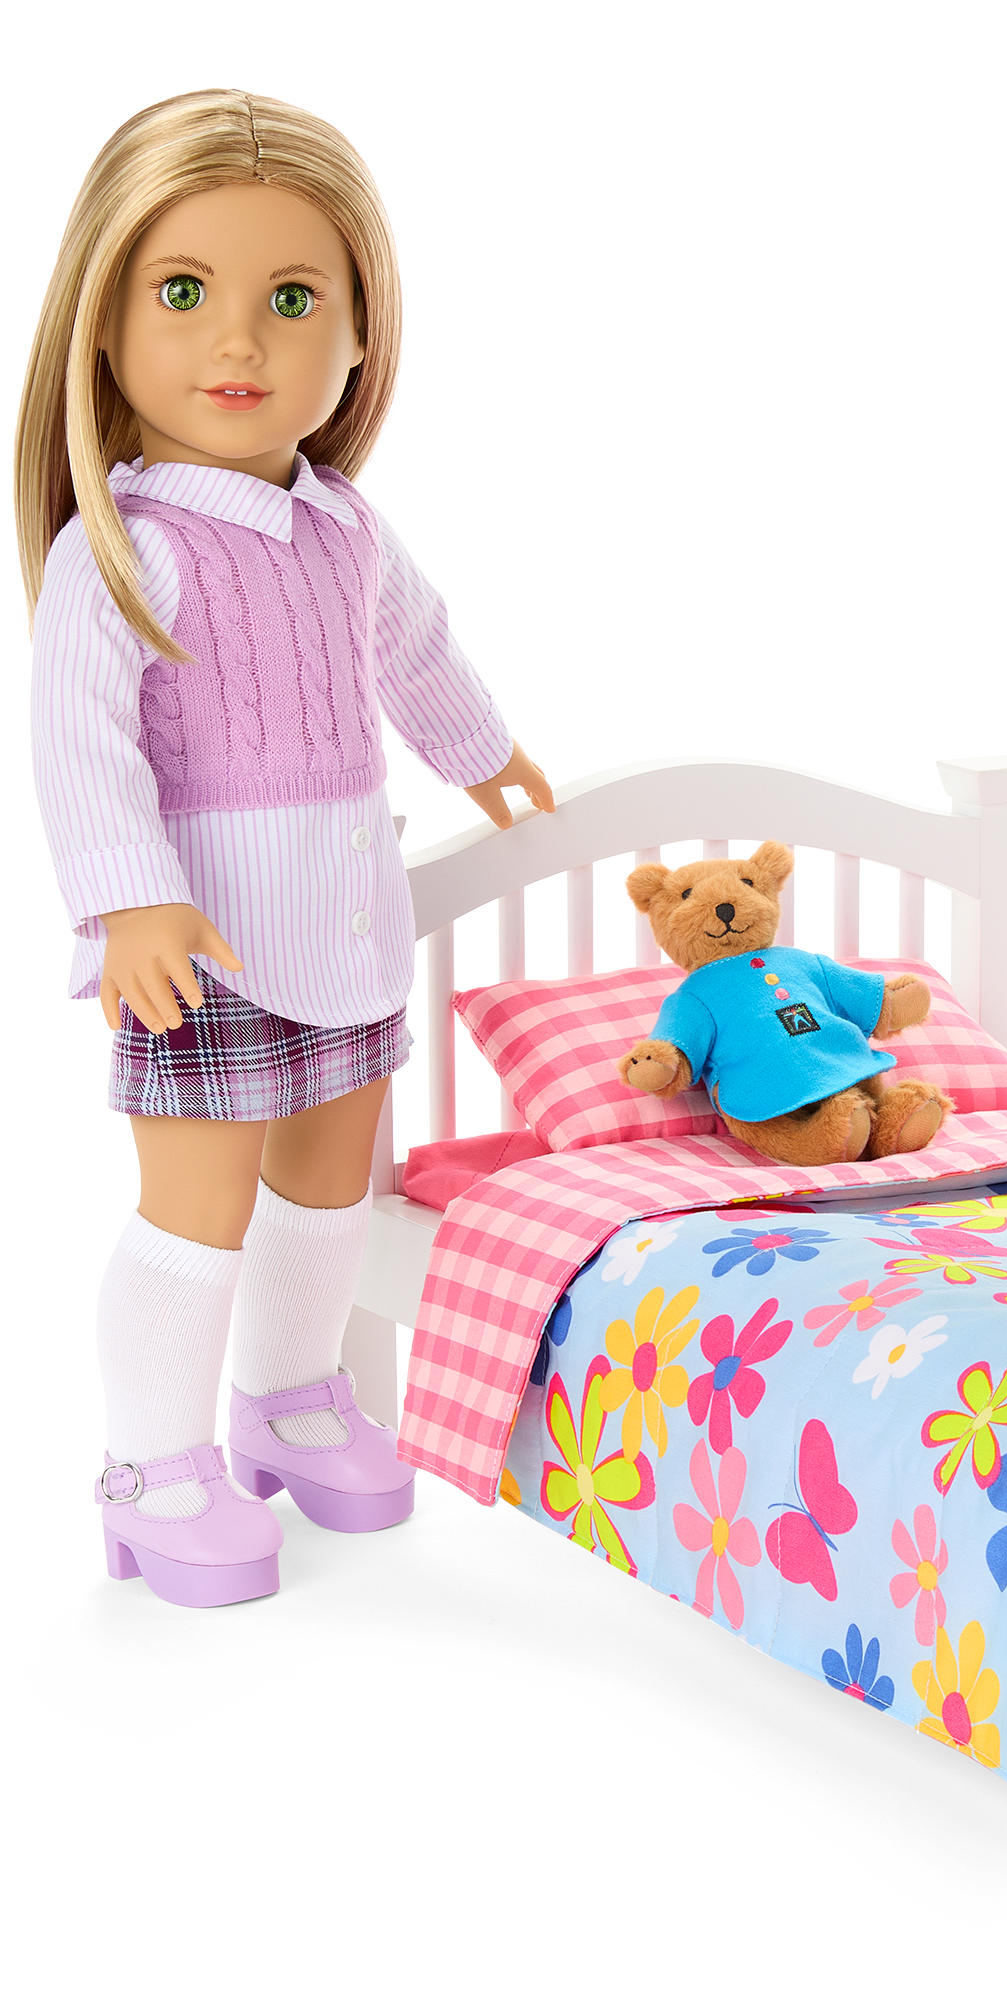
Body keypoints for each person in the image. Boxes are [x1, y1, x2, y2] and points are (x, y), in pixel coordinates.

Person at [19, 90, 557, 1608]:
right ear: (105, 323)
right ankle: (151, 1462)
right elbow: (80, 748)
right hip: (201, 941)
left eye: (295, 299)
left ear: (363, 332)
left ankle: (292, 1398)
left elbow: (419, 652)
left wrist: (483, 753)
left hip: (345, 918)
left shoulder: (348, 530)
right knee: (195, 1209)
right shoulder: (122, 548)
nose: (239, 341)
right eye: (184, 292)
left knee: (329, 1185)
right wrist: (131, 903)